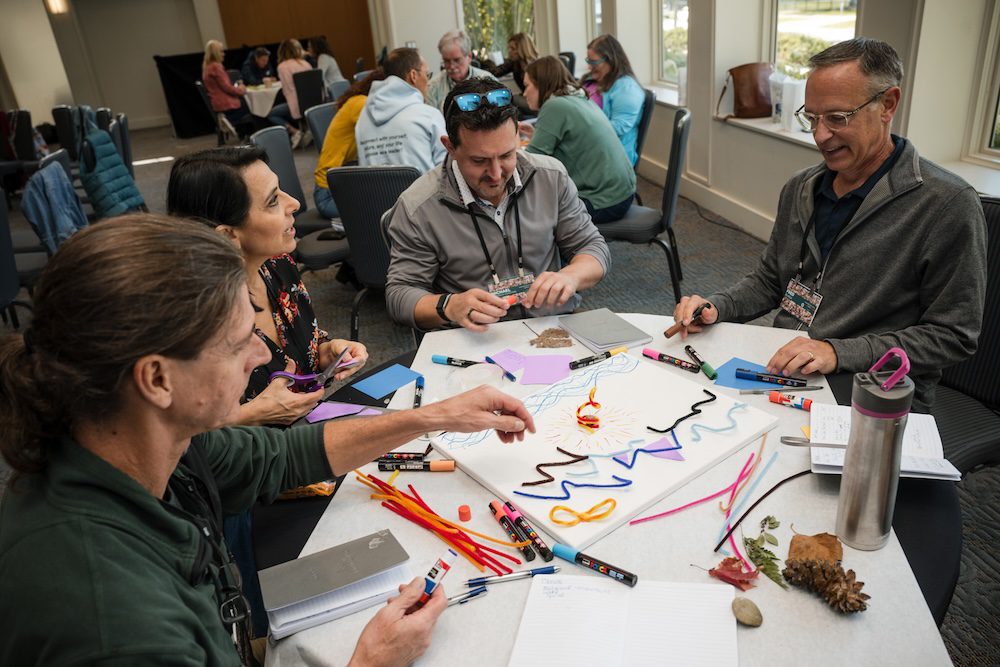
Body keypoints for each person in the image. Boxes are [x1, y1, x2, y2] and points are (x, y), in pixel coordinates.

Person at [0, 213, 534, 665]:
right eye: (237, 345)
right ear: (158, 379)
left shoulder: (148, 442)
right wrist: (368, 661)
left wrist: (433, 416)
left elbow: (286, 454)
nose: (261, 357)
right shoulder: (113, 618)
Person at [673, 38, 987, 413]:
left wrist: (836, 352)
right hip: (784, 366)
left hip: (870, 391)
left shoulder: (945, 205)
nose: (820, 136)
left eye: (838, 118)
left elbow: (953, 335)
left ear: (888, 105)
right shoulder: (802, 187)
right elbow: (772, 280)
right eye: (812, 118)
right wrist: (717, 306)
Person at [168, 146, 370, 637]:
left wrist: (328, 350)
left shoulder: (277, 266)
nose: (296, 205)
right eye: (275, 200)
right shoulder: (185, 318)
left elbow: (306, 341)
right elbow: (173, 445)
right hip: (242, 491)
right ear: (226, 236)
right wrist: (250, 416)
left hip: (300, 456)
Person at [385, 78, 610, 332]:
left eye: (506, 155)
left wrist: (571, 276)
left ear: (518, 136)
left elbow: (593, 248)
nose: (495, 174)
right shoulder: (419, 207)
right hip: (476, 340)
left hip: (551, 328)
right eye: (479, 160)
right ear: (450, 147)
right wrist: (450, 306)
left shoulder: (551, 177)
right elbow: (399, 295)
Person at [520, 56, 635, 224]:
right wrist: (536, 134)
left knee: (529, 206)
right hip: (622, 193)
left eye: (527, 85)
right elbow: (571, 143)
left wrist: (509, 146)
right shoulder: (578, 97)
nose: (524, 93)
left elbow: (527, 167)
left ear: (541, 83)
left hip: (602, 201)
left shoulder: (555, 106)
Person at [355, 47, 446, 173]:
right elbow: (446, 173)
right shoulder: (429, 116)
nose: (429, 82)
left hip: (375, 192)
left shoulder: (363, 118)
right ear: (413, 76)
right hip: (421, 192)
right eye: (427, 74)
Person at [314, 68, 389, 220]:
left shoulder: (361, 101)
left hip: (343, 187)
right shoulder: (360, 104)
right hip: (329, 195)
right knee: (388, 212)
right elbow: (387, 132)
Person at [584, 34, 645, 165]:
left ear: (611, 60)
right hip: (595, 148)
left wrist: (579, 131)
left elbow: (618, 128)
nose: (590, 67)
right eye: (588, 61)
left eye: (593, 62)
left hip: (613, 159)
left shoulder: (627, 88)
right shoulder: (595, 81)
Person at [425, 30, 498, 111]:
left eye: (457, 60)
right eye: (446, 61)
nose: (451, 66)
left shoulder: (489, 81)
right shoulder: (433, 87)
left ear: (469, 56)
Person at [268, 39, 313, 149]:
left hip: (297, 105)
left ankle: (295, 131)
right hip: (312, 102)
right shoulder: (305, 63)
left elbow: (289, 90)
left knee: (271, 114)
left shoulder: (282, 67)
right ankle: (307, 129)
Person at [201, 39, 250, 136]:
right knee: (253, 108)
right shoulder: (216, 67)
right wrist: (241, 89)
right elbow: (227, 88)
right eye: (221, 51)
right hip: (227, 105)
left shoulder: (207, 67)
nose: (224, 54)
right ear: (215, 53)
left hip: (219, 105)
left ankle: (243, 134)